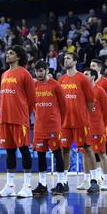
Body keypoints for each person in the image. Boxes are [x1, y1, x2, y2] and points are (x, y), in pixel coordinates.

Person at [0, 45, 36, 198]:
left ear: (18, 57)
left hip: (20, 119)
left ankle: (27, 186)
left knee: (24, 150)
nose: (8, 55)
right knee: (9, 151)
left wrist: (24, 113)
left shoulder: (24, 74)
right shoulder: (4, 74)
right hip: (5, 119)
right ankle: (10, 186)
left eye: (11, 53)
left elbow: (32, 99)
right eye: (7, 53)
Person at [59, 52, 98, 193]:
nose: (65, 60)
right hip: (65, 123)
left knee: (87, 148)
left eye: (68, 58)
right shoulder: (61, 80)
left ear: (75, 61)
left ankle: (94, 181)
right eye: (64, 58)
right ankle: (63, 182)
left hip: (81, 122)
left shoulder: (82, 78)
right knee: (64, 150)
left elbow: (90, 101)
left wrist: (83, 116)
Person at [31, 60, 67, 196]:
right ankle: (42, 184)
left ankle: (61, 183)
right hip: (39, 127)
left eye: (41, 70)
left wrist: (59, 123)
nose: (39, 73)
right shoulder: (34, 85)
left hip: (53, 126)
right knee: (40, 155)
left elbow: (64, 107)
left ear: (47, 70)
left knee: (57, 154)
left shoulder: (56, 85)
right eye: (37, 71)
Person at [83, 68, 107, 191]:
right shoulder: (82, 91)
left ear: (93, 77)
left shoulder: (100, 91)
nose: (84, 76)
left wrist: (102, 126)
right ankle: (87, 180)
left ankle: (106, 180)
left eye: (86, 74)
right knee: (85, 154)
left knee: (102, 153)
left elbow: (106, 112)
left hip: (97, 128)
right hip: (85, 128)